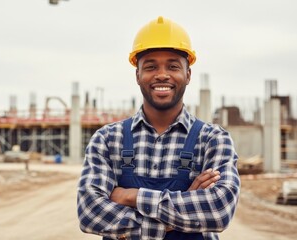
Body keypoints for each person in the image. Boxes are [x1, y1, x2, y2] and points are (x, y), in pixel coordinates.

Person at [77, 16, 240, 240]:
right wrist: (177, 217)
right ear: (137, 75)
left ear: (188, 75)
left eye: (173, 66)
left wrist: (130, 196)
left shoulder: (213, 139)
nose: (162, 74)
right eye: (151, 66)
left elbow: (218, 211)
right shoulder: (107, 139)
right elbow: (90, 213)